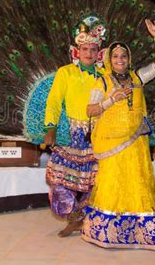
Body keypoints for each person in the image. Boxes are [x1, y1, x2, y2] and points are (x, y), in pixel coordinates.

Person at [81, 19, 155, 250]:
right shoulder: (103, 81)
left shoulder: (138, 78)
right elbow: (91, 110)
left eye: (124, 57)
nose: (120, 60)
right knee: (113, 182)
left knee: (137, 180)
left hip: (136, 142)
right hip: (112, 143)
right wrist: (111, 100)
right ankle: (108, 232)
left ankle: (142, 232)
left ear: (129, 60)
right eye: (116, 57)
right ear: (109, 60)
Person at [44, 15, 106, 237]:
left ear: (99, 52)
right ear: (76, 51)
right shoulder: (65, 73)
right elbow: (53, 101)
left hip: (97, 135)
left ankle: (86, 219)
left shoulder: (105, 75)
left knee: (93, 183)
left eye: (92, 49)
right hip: (70, 134)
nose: (88, 53)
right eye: (84, 49)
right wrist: (50, 127)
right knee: (61, 181)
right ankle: (73, 219)